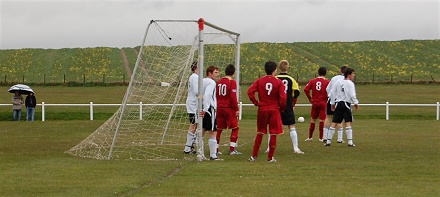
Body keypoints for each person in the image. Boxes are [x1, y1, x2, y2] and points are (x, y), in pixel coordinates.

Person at [247, 61, 287, 162]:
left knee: (260, 132)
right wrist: (281, 107)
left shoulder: (260, 81)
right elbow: (283, 98)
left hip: (263, 108)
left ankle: (254, 156)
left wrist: (256, 102)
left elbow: (250, 92)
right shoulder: (278, 82)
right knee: (273, 133)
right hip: (274, 109)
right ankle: (270, 157)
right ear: (275, 70)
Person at [265, 60, 304, 154]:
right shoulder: (291, 79)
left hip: (276, 105)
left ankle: (269, 148)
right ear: (288, 68)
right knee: (291, 126)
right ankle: (296, 148)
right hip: (287, 105)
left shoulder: (275, 78)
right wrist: (292, 97)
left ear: (278, 68)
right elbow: (296, 92)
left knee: (272, 127)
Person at [324, 68, 359, 147]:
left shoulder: (338, 82)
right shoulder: (350, 83)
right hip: (346, 104)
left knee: (334, 122)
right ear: (349, 74)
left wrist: (332, 103)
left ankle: (328, 141)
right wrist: (356, 103)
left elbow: (332, 93)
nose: (354, 75)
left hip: (338, 104)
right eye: (353, 73)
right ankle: (350, 142)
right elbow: (352, 95)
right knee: (348, 122)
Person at [215, 64, 241, 155]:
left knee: (219, 129)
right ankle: (232, 149)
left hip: (219, 108)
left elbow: (216, 95)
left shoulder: (219, 82)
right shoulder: (232, 82)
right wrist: (236, 109)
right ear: (233, 72)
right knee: (235, 128)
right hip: (228, 108)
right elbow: (233, 97)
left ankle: (216, 149)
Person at [199, 65, 221, 160]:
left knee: (202, 131)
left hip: (202, 108)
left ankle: (200, 153)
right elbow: (207, 95)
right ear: (209, 73)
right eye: (215, 72)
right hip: (209, 109)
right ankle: (213, 155)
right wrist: (206, 108)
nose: (217, 74)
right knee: (213, 132)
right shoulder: (211, 82)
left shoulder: (202, 81)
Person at [304, 67, 330, 142]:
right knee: (322, 120)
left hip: (315, 102)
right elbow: (330, 92)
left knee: (313, 120)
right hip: (323, 102)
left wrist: (310, 98)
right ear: (325, 73)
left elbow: (306, 89)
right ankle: (321, 138)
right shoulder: (327, 82)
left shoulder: (313, 81)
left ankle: (310, 137)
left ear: (318, 73)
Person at [323, 65, 347, 143]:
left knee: (327, 117)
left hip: (331, 99)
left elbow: (327, 89)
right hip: (340, 101)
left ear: (340, 71)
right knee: (339, 119)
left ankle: (325, 137)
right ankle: (339, 138)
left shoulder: (334, 78)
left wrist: (330, 95)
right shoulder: (346, 80)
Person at [184, 61, 199, 154]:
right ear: (195, 68)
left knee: (196, 125)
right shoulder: (195, 77)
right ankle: (187, 148)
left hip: (194, 104)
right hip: (193, 105)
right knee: (193, 125)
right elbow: (197, 91)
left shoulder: (195, 77)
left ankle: (190, 146)